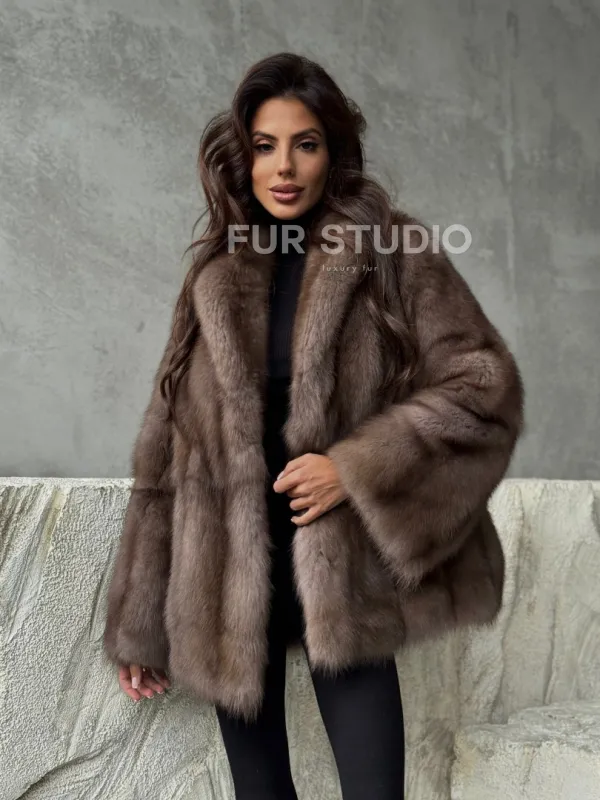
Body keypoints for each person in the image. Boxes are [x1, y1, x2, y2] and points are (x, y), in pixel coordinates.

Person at [103, 52, 525, 799]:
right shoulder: (214, 275)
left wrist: (354, 470)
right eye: (265, 146)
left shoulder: (393, 254)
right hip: (230, 578)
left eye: (306, 143)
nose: (285, 167)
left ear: (334, 151)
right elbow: (166, 449)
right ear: (243, 155)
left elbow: (484, 386)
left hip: (344, 575)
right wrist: (140, 625)